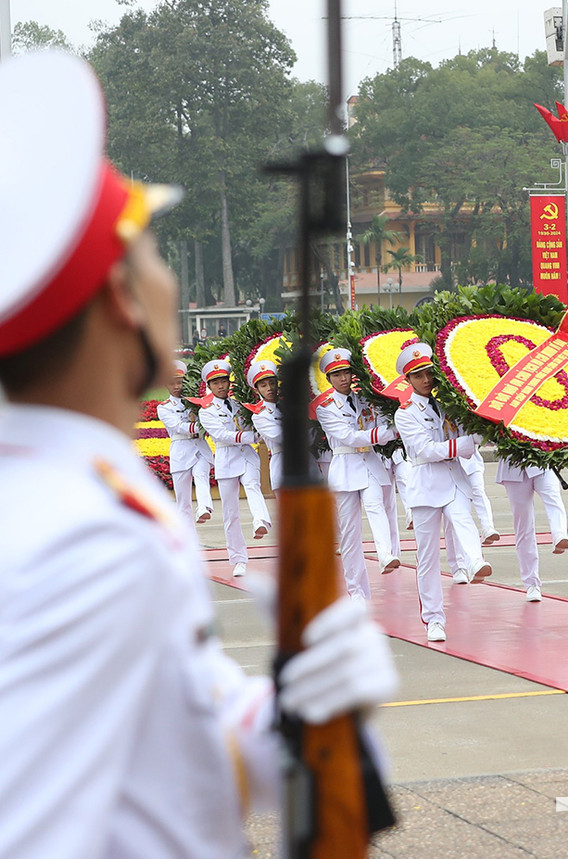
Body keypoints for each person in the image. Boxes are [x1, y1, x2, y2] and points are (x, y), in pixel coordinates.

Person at [0, 49, 396, 855]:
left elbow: (172, 735)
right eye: (151, 254)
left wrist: (289, 713)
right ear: (119, 299)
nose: (168, 285)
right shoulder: (91, 539)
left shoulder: (79, 490)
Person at [392, 340, 489, 637]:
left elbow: (469, 433)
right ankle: (434, 617)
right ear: (407, 380)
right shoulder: (405, 413)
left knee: (463, 519)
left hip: (454, 477)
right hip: (425, 484)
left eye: (428, 373)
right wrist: (465, 444)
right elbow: (424, 449)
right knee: (427, 556)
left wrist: (481, 431)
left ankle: (474, 561)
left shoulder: (450, 404)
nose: (426, 380)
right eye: (418, 375)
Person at [316, 347, 401, 598]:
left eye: (346, 372)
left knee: (377, 506)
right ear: (329, 379)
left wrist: (386, 431)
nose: (343, 378)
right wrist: (384, 434)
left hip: (369, 462)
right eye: (337, 374)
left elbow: (380, 422)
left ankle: (385, 554)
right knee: (350, 536)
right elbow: (348, 436)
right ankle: (356, 592)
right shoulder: (326, 407)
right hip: (345, 467)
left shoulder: (365, 399)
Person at [198, 358, 273, 577]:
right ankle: (238, 559)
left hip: (247, 456)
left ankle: (261, 520)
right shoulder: (206, 410)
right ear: (209, 386)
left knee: (252, 485)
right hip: (226, 458)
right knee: (231, 513)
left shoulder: (241, 404)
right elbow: (221, 434)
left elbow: (254, 421)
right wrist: (251, 436)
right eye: (216, 382)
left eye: (224, 381)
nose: (221, 386)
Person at [156, 359, 215, 526]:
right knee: (183, 502)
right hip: (181, 452)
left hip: (199, 448)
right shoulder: (164, 407)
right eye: (172, 383)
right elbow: (178, 426)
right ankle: (189, 540)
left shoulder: (196, 402)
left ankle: (204, 507)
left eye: (180, 382)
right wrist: (204, 426)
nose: (176, 387)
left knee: (201, 475)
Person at [247, 359, 285, 494]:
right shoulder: (259, 415)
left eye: (272, 383)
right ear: (256, 390)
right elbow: (279, 436)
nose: (269, 388)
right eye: (263, 385)